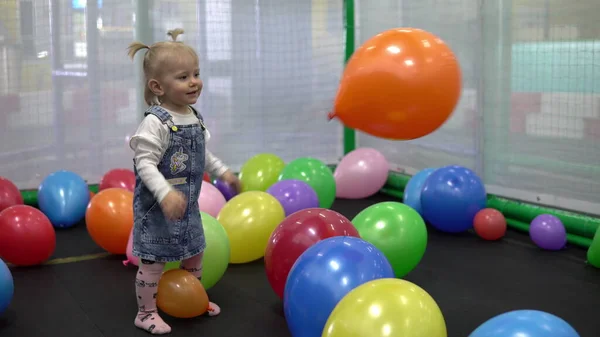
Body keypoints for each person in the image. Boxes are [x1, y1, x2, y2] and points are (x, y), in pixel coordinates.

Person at [127, 28, 241, 335]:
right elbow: (145, 163)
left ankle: (194, 298)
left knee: (195, 252)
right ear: (157, 86)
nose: (194, 82)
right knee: (153, 262)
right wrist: (164, 193)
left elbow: (203, 154)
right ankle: (146, 312)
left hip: (186, 208)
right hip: (158, 210)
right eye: (183, 77)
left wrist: (223, 172)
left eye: (196, 74)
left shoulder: (194, 117)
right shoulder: (155, 122)